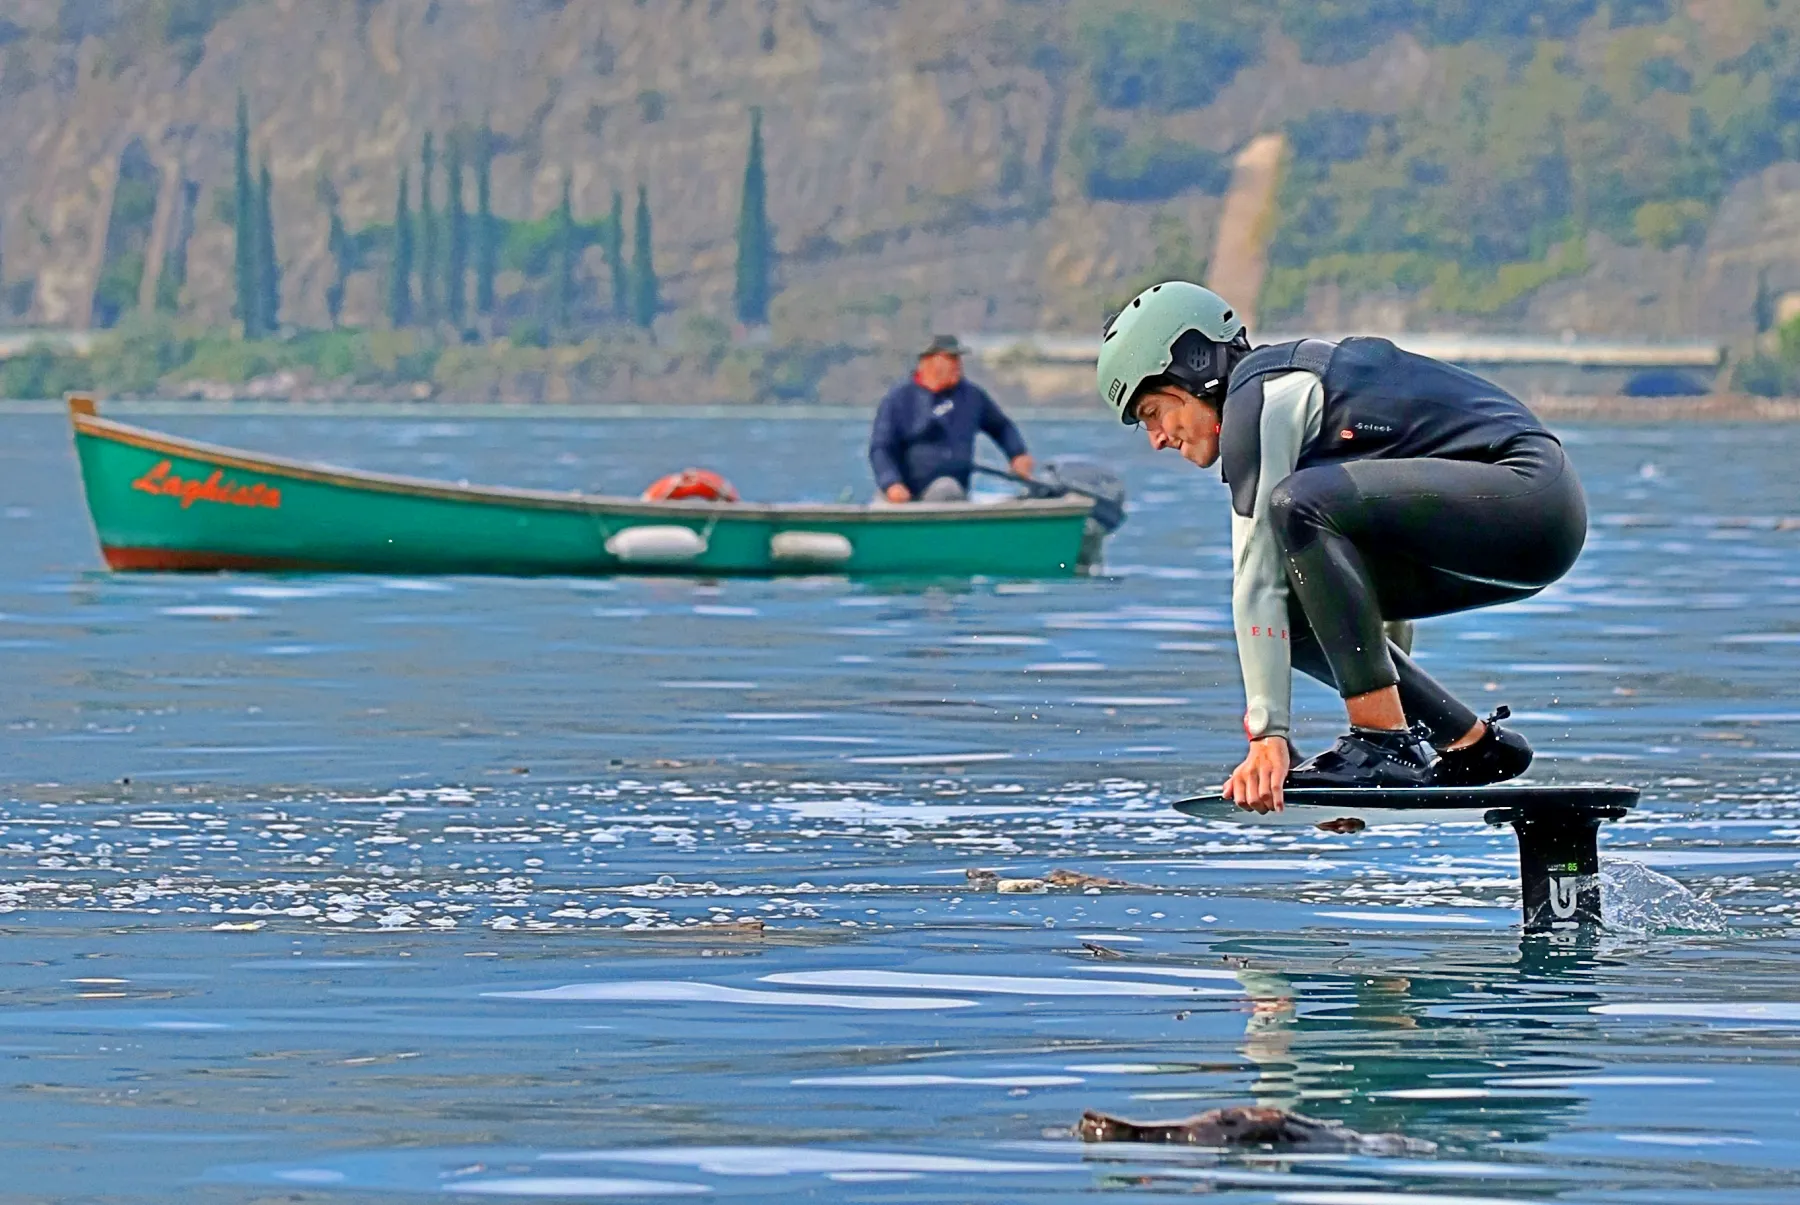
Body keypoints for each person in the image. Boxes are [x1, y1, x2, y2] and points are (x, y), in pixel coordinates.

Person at [1096, 282, 1587, 813]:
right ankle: (1470, 745)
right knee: (1295, 598)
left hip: (1531, 497)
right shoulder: (1290, 424)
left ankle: (1383, 744)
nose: (1157, 438)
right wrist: (1366, 777)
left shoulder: (1262, 398)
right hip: (1516, 529)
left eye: (1152, 413)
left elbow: (1253, 576)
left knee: (1294, 512)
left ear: (1192, 369)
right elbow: (1357, 609)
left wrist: (1269, 736)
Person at [870, 334, 1033, 503]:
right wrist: (891, 483)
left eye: (958, 359)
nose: (957, 365)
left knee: (946, 489)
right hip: (903, 492)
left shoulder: (971, 396)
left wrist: (1017, 453)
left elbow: (1001, 426)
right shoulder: (898, 399)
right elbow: (881, 448)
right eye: (950, 358)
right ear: (927, 361)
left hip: (948, 492)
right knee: (881, 505)